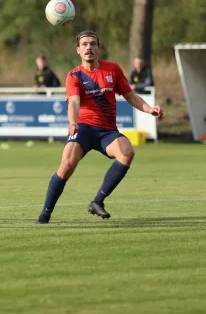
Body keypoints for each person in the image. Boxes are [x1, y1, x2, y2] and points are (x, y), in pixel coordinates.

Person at [35, 30, 163, 224]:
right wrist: (72, 122)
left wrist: (149, 109)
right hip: (83, 128)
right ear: (78, 50)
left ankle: (97, 201)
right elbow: (74, 102)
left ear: (99, 48)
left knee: (127, 153)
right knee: (67, 166)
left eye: (93, 44)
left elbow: (131, 96)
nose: (89, 47)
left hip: (107, 131)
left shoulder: (112, 69)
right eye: (84, 44)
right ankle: (45, 214)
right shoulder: (74, 75)